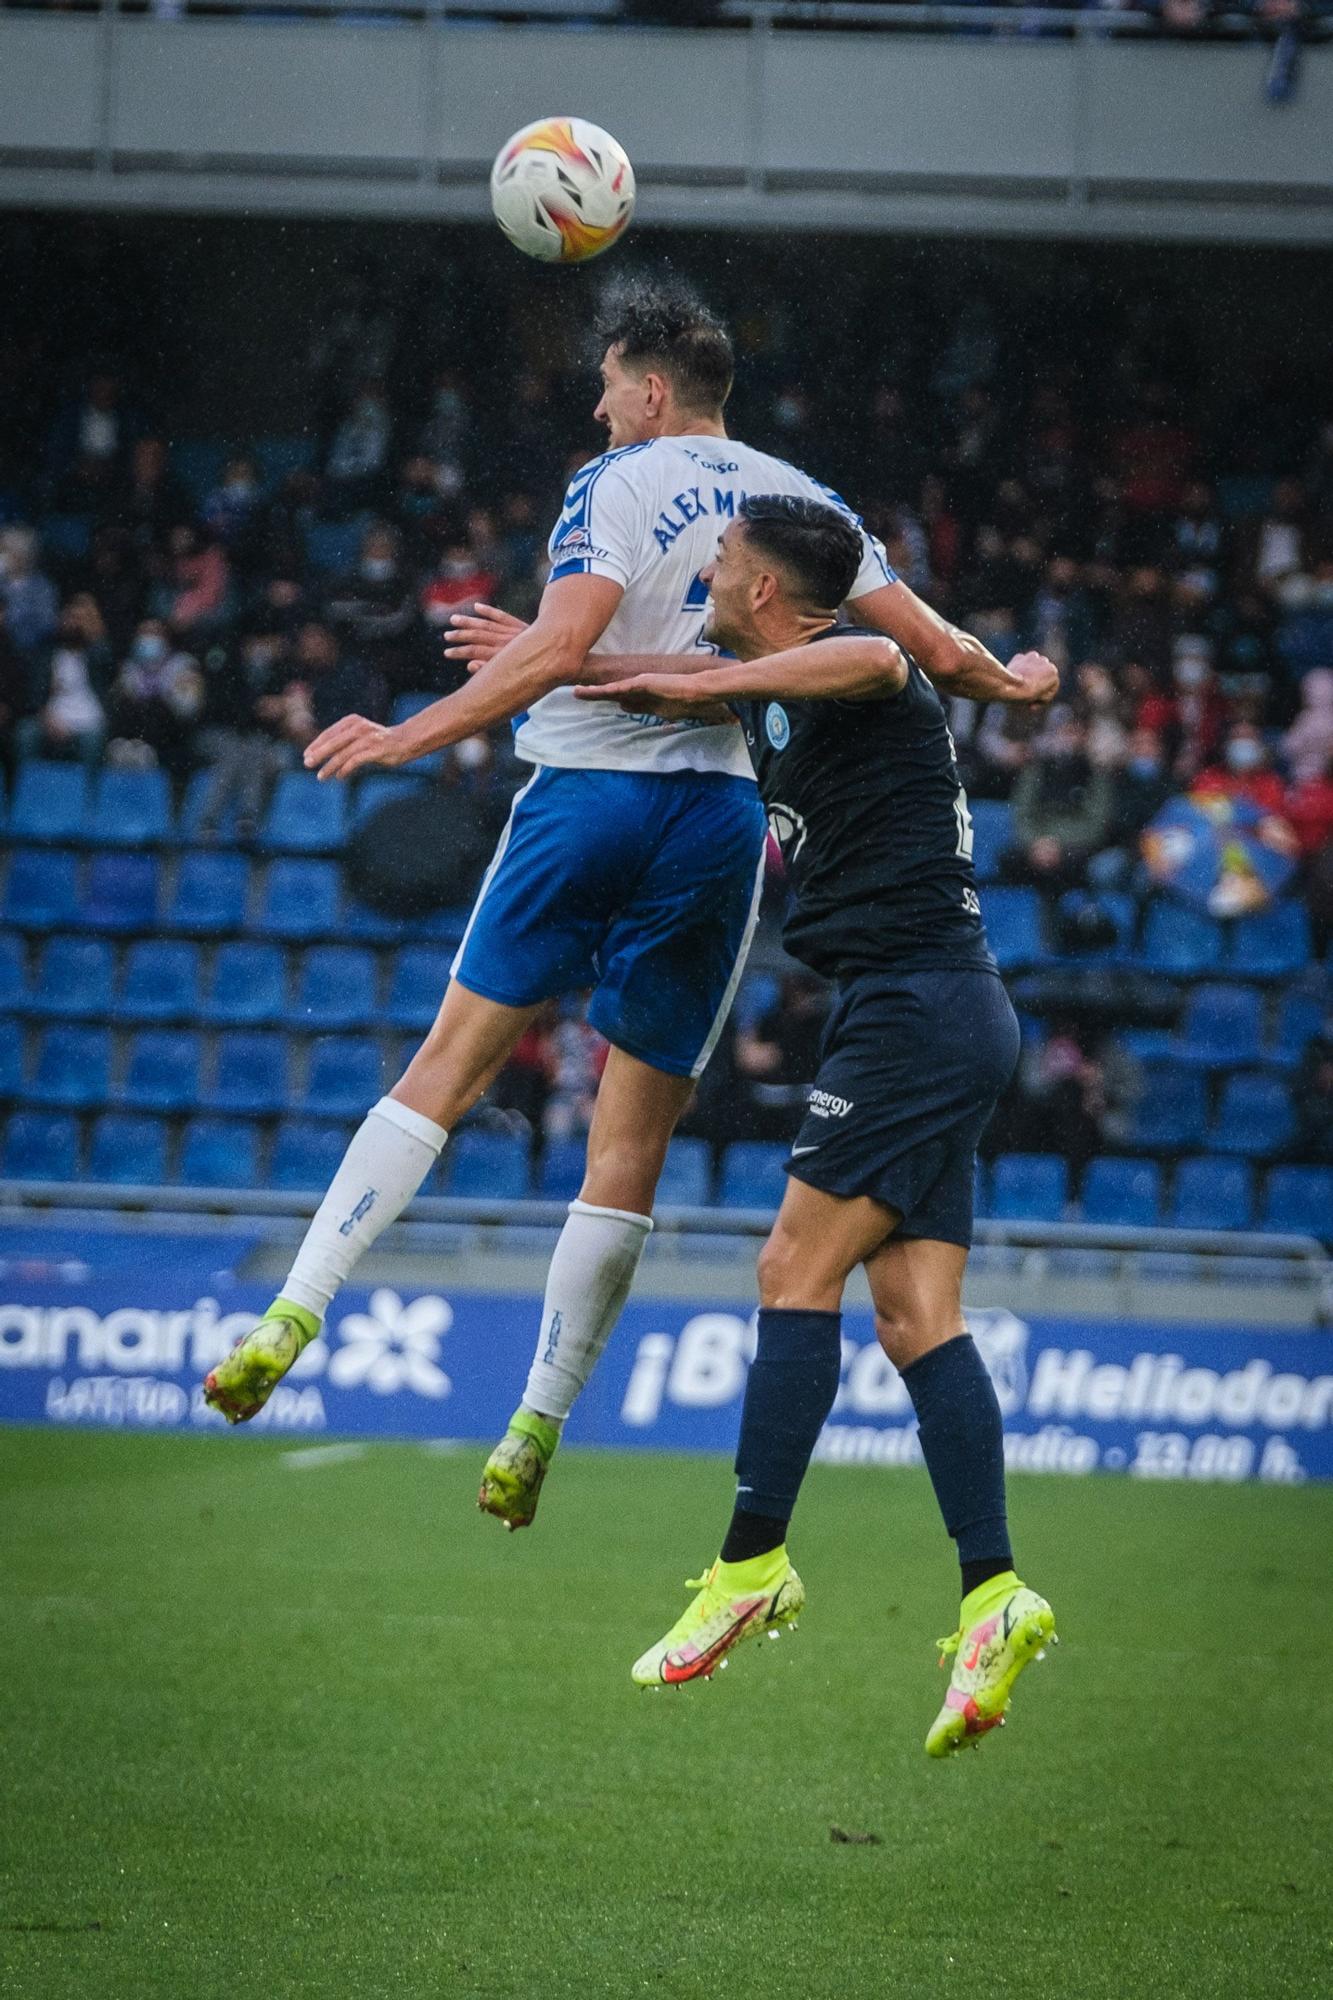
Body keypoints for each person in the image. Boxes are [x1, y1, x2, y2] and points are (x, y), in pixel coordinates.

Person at [201, 282, 1058, 1539]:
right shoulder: (799, 503)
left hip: (583, 795)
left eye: (607, 391)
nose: (599, 412)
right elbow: (930, 649)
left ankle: (298, 1303)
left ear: (652, 392)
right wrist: (1017, 678)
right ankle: (538, 1418)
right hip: (713, 826)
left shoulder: (617, 483)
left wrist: (410, 735)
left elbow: (560, 650)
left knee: (447, 1066)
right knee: (628, 1148)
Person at [573, 496, 1055, 1751]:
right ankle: (995, 1595)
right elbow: (671, 669)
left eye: (724, 558)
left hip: (914, 1013)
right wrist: (552, 652)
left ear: (772, 589)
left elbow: (881, 655)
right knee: (914, 1318)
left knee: (792, 1268)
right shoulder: (762, 679)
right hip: (932, 1011)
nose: (710, 569)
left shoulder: (854, 667)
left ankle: (751, 1560)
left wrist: (704, 687)